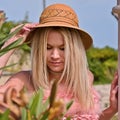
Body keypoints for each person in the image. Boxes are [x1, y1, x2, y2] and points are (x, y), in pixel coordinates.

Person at [0, 3, 118, 120]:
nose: (55, 56)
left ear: (74, 50)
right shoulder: (24, 80)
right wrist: (10, 45)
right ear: (38, 50)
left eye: (63, 48)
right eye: (48, 48)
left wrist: (112, 109)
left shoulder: (84, 78)